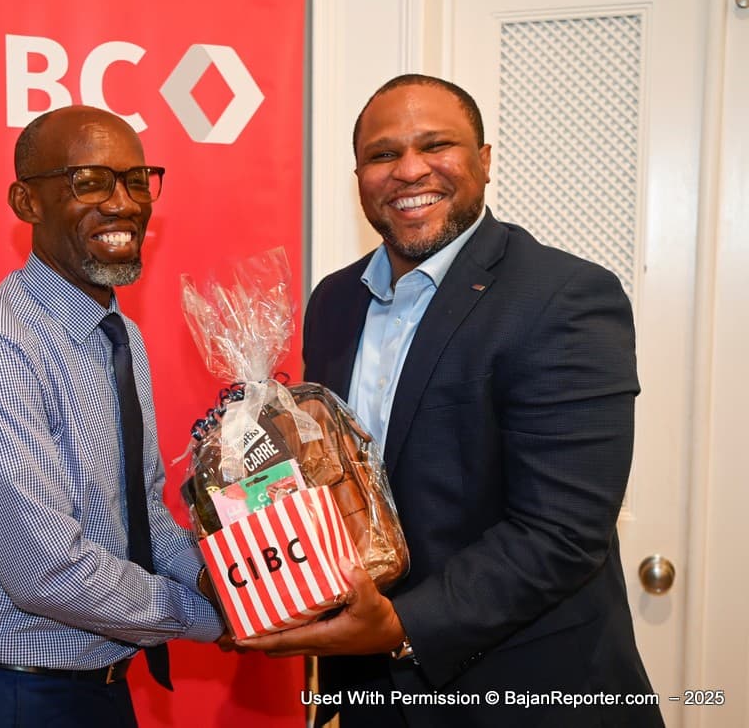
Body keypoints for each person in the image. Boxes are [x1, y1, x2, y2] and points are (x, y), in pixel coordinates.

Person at [238, 74, 663, 727]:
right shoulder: (335, 301)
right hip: (373, 696)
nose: (409, 170)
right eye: (383, 154)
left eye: (436, 145)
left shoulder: (565, 297)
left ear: (484, 161)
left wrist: (401, 623)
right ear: (359, 174)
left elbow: (561, 533)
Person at [0, 105, 222, 727]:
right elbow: (47, 573)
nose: (124, 202)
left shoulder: (119, 335)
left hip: (101, 688)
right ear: (26, 202)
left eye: (137, 180)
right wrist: (217, 616)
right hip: (14, 697)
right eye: (90, 181)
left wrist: (233, 580)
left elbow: (140, 517)